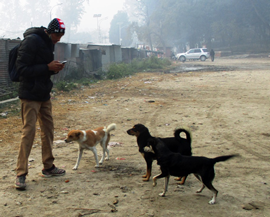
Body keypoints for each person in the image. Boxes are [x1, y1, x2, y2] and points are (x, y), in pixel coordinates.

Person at [15, 18, 67, 190]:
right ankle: (21, 174)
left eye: (61, 36)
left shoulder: (48, 42)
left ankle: (48, 166)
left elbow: (44, 68)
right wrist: (47, 67)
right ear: (49, 31)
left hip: (43, 93)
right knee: (28, 132)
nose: (58, 39)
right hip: (29, 95)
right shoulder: (31, 41)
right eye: (56, 35)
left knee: (48, 130)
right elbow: (21, 69)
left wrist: (54, 68)